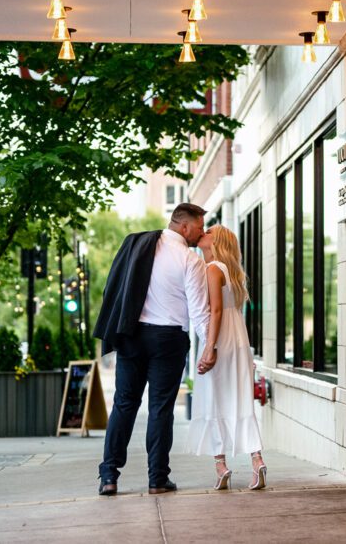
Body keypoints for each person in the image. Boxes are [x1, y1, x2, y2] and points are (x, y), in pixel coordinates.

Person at [94, 203, 211, 497]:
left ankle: (109, 476)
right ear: (184, 227)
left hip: (132, 335)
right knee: (161, 408)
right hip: (168, 340)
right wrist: (210, 346)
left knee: (124, 404)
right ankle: (158, 479)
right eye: (199, 227)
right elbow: (199, 312)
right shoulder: (190, 260)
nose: (202, 232)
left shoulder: (139, 246)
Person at [189, 224, 267, 490]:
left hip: (220, 338)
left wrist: (209, 347)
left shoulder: (213, 269)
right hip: (239, 340)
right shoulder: (235, 272)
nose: (203, 233)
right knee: (241, 401)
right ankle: (257, 461)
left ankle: (221, 466)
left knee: (214, 400)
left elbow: (217, 311)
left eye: (208, 230)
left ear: (216, 240)